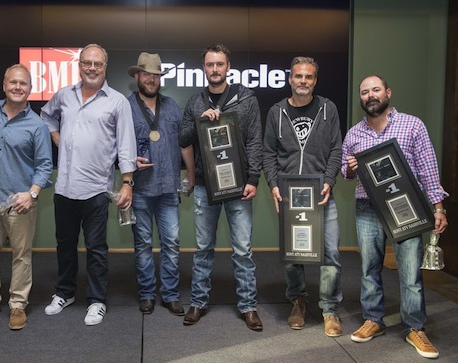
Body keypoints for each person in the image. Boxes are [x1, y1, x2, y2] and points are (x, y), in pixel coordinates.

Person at [342, 75, 448, 359]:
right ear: (361, 99)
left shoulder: (412, 125)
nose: (370, 95)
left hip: (406, 208)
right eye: (364, 92)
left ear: (388, 92)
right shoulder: (354, 134)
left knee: (410, 272)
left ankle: (414, 327)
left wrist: (438, 208)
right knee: (368, 268)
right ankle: (373, 320)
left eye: (375, 89)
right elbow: (346, 171)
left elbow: (428, 169)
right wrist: (351, 168)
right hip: (367, 207)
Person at [40, 43, 137, 326]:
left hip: (96, 189)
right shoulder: (63, 96)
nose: (92, 68)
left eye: (97, 64)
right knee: (64, 245)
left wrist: (128, 182)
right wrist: (58, 139)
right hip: (64, 188)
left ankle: (96, 301)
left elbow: (126, 145)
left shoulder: (117, 101)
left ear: (105, 67)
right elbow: (46, 116)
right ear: (79, 65)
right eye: (87, 63)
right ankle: (65, 293)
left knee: (96, 248)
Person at [179, 44, 263, 331]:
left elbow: (254, 140)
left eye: (220, 64)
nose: (214, 69)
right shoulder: (194, 101)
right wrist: (201, 118)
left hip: (239, 186)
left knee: (242, 249)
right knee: (203, 248)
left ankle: (248, 306)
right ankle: (198, 302)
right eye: (210, 64)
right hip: (205, 185)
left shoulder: (246, 99)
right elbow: (183, 138)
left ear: (228, 67)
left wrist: (253, 180)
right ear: (203, 67)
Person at [0, 64, 53, 330]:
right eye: (13, 83)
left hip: (20, 202)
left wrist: (32, 194)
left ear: (30, 88)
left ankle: (18, 305)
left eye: (23, 83)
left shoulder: (37, 125)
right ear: (4, 85)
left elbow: (45, 165)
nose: (17, 87)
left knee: (21, 255)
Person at [262, 56, 343, 337]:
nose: (303, 81)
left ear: (315, 81)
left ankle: (330, 309)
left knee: (330, 252)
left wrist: (330, 180)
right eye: (298, 76)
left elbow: (336, 149)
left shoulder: (327, 109)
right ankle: (297, 300)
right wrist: (273, 184)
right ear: (290, 79)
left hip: (321, 193)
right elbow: (268, 153)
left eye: (309, 77)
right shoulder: (276, 112)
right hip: (289, 194)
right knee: (293, 254)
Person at [126, 52, 195, 316]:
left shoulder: (172, 107)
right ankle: (146, 294)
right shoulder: (126, 107)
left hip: (168, 188)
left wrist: (191, 172)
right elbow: (116, 144)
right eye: (147, 74)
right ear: (137, 76)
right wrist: (129, 161)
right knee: (142, 244)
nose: (151, 79)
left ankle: (170, 294)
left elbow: (183, 143)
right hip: (140, 188)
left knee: (172, 243)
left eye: (156, 75)